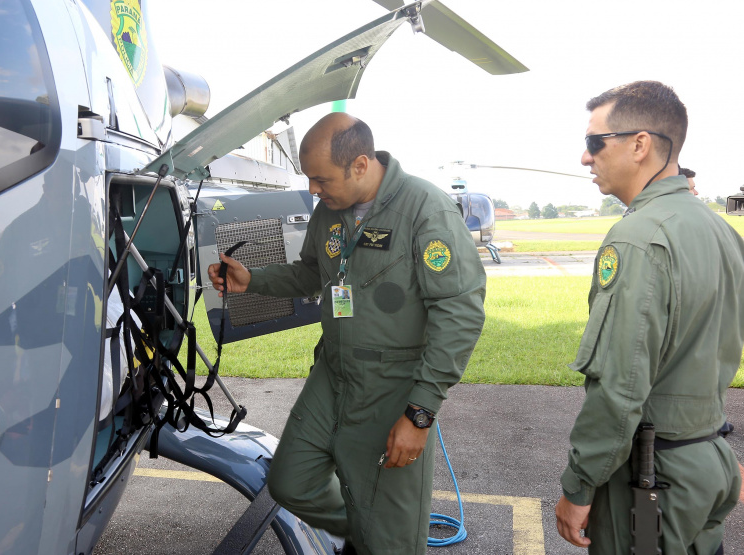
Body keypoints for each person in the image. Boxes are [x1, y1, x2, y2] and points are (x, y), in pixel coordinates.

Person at [208, 113, 486, 554]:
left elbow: (460, 312)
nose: (313, 189)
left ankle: (380, 537)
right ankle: (366, 529)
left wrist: (420, 413)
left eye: (321, 179)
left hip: (393, 386)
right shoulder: (329, 211)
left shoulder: (425, 210)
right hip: (334, 373)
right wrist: (253, 279)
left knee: (393, 541)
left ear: (360, 165)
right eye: (309, 179)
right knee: (291, 481)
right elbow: (311, 273)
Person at [555, 81, 744, 553]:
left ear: (640, 144)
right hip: (708, 461)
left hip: (654, 477)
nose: (585, 157)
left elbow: (620, 386)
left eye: (595, 141)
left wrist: (580, 485)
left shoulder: (638, 237)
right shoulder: (720, 230)